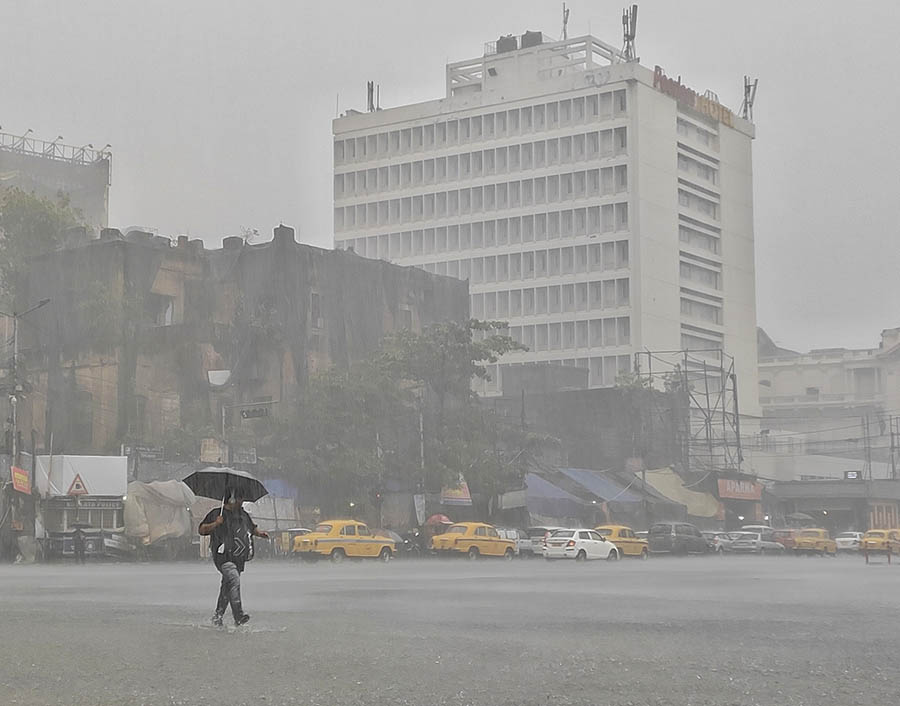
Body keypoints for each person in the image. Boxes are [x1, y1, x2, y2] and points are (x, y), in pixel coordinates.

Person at [198, 489, 268, 627]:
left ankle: (218, 616)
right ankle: (239, 615)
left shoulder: (243, 514)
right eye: (240, 499)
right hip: (223, 556)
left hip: (239, 557)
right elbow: (201, 530)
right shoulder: (217, 514)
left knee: (227, 587)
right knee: (234, 580)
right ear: (231, 499)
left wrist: (260, 534)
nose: (242, 502)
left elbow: (251, 528)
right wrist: (215, 524)